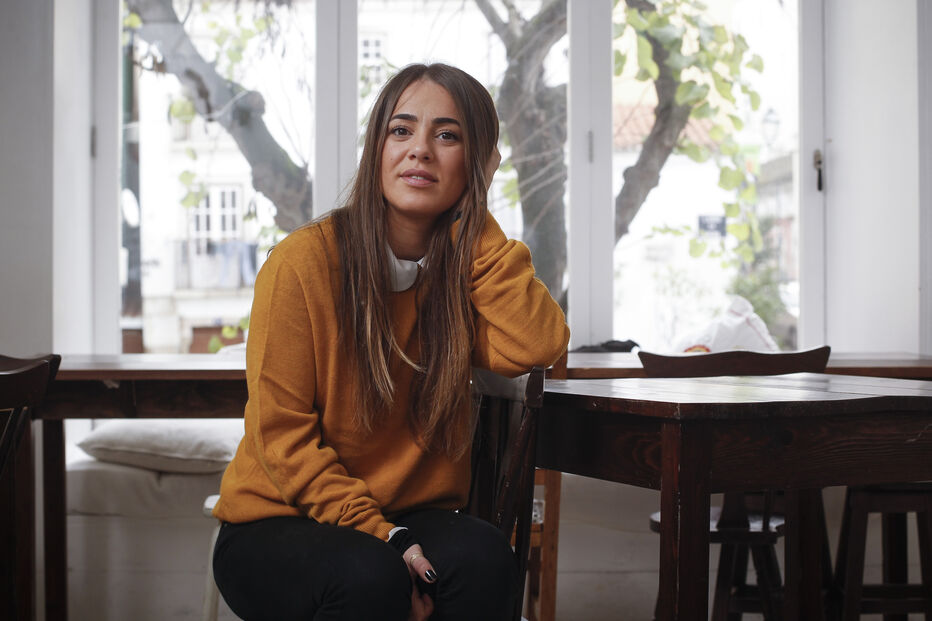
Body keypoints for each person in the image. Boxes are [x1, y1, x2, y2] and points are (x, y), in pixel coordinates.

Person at [210, 62, 570, 621]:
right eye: (401, 130)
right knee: (368, 577)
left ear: (477, 162)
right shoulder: (301, 264)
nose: (419, 149)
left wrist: (475, 212)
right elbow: (283, 440)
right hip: (280, 517)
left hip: (410, 513)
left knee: (486, 561)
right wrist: (386, 535)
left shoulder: (460, 278)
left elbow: (540, 343)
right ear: (376, 147)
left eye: (447, 136)